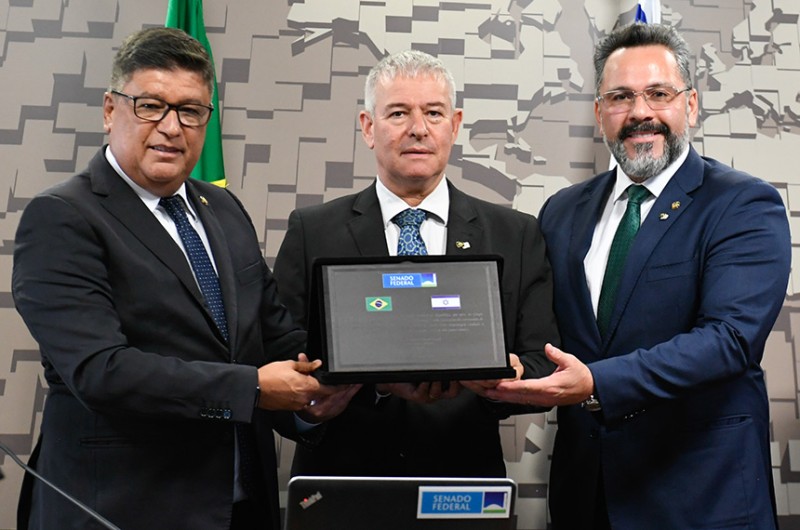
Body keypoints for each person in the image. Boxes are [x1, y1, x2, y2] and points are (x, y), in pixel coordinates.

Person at [12, 27, 351, 530]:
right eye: (151, 106)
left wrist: (341, 380)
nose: (173, 127)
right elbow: (101, 371)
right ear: (110, 110)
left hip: (239, 507)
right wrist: (253, 388)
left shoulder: (224, 209)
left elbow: (273, 339)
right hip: (122, 509)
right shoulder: (63, 217)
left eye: (191, 111)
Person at [483, 23, 791, 529]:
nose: (640, 112)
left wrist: (595, 384)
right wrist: (491, 372)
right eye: (621, 96)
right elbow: (543, 337)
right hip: (587, 499)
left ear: (690, 106)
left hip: (701, 499)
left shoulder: (742, 204)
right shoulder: (561, 213)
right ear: (600, 113)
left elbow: (730, 339)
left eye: (658, 94)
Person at [272, 49, 560, 478]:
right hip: (343, 478)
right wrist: (326, 401)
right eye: (398, 113)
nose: (418, 129)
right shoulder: (312, 230)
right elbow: (279, 355)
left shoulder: (515, 234)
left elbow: (541, 359)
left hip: (463, 478)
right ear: (369, 128)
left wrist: (505, 379)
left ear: (455, 125)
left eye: (434, 113)